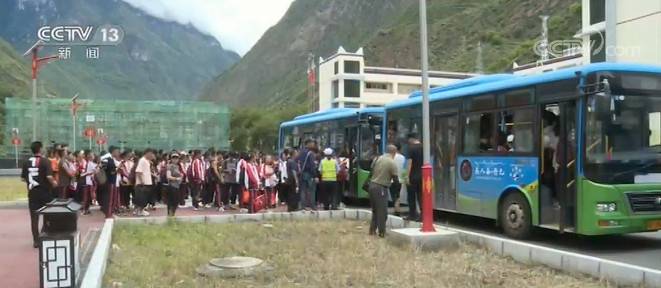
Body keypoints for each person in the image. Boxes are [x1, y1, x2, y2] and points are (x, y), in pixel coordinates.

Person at [21, 141, 58, 248]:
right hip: (45, 192)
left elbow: (23, 178)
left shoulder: (26, 162)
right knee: (48, 214)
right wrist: (54, 184)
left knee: (34, 217)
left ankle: (36, 240)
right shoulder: (45, 161)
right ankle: (44, 234)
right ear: (40, 149)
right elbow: (49, 177)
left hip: (32, 193)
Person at [368, 144, 399, 237]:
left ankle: (372, 230)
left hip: (371, 186)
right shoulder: (391, 162)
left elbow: (371, 171)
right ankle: (382, 232)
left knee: (375, 211)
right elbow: (396, 179)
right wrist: (397, 193)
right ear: (394, 152)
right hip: (381, 188)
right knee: (382, 212)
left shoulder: (377, 159)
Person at [296, 139, 318, 211]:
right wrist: (315, 175)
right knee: (312, 190)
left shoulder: (300, 152)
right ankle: (312, 206)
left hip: (302, 174)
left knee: (303, 190)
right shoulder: (310, 153)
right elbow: (312, 165)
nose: (313, 145)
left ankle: (303, 206)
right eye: (312, 143)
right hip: (309, 174)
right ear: (308, 144)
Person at [405, 133, 423, 221]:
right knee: (421, 195)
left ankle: (412, 214)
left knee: (411, 196)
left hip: (413, 176)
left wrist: (407, 176)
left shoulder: (410, 148)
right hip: (423, 176)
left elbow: (409, 163)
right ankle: (423, 215)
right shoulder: (424, 147)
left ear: (411, 139)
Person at [134, 149, 155, 216]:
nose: (152, 155)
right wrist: (142, 181)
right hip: (143, 183)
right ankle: (140, 211)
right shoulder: (142, 160)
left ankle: (141, 210)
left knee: (145, 198)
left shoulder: (146, 161)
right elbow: (138, 171)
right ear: (147, 153)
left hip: (147, 182)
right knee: (142, 198)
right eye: (151, 154)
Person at [391, 144, 406, 216]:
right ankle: (397, 208)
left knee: (393, 195)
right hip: (400, 180)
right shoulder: (403, 157)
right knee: (398, 194)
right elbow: (404, 169)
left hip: (392, 179)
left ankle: (396, 208)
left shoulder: (391, 157)